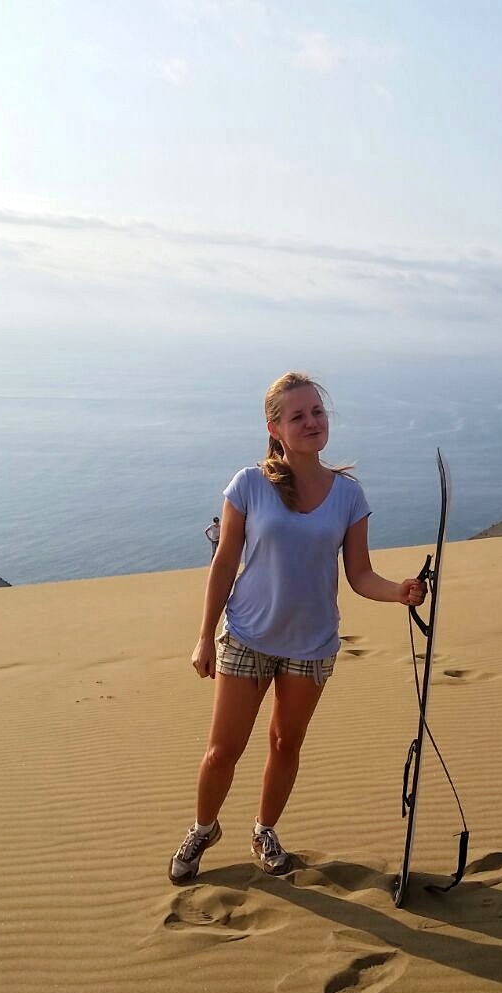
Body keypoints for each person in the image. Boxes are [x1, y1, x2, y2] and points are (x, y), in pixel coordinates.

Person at [168, 371, 427, 885]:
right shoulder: (248, 485)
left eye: (317, 412)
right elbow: (224, 564)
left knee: (286, 744)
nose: (312, 422)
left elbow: (359, 574)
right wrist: (204, 636)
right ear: (276, 428)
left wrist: (398, 592)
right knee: (222, 751)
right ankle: (202, 830)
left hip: (310, 647)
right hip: (246, 636)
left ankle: (264, 831)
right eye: (298, 416)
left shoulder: (349, 495)